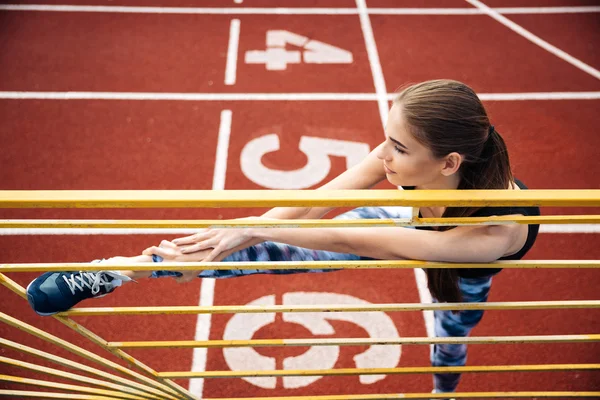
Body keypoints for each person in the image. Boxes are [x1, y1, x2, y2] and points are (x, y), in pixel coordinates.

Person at [26, 79, 540, 394]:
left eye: (397, 147)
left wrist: (252, 228)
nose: (382, 155)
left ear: (447, 163)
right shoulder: (409, 158)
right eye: (385, 136)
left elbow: (370, 244)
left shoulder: (495, 231)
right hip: (414, 218)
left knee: (452, 333)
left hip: (457, 259)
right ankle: (121, 269)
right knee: (264, 246)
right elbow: (316, 201)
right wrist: (238, 232)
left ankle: (443, 393)